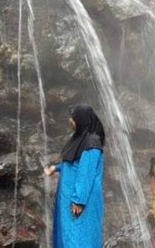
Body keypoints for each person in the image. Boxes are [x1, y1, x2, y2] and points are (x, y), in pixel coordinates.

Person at [44, 104, 105, 248]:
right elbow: (73, 163)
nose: (70, 120)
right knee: (67, 234)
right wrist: (56, 167)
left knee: (79, 236)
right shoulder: (79, 139)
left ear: (81, 119)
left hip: (80, 201)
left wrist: (79, 200)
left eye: (73, 117)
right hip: (68, 197)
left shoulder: (91, 142)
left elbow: (87, 172)